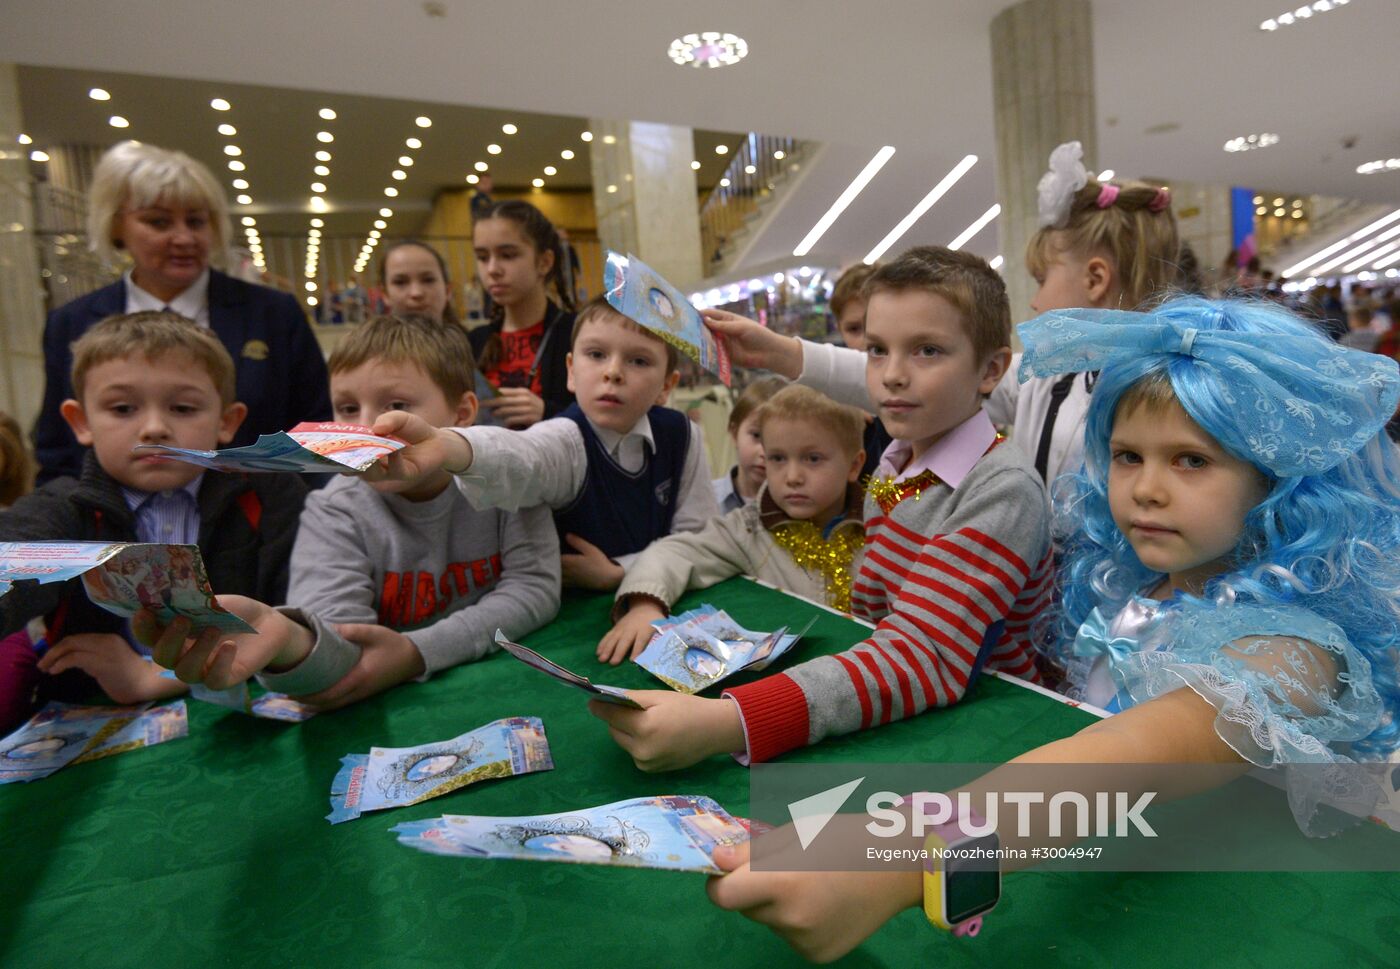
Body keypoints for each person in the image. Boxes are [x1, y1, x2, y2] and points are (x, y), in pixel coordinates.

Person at [699, 294, 1400, 963]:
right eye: (1129, 455)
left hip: (1253, 913)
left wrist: (908, 854)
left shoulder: (1299, 652)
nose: (1147, 488)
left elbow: (1135, 753)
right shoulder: (1137, 591)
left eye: (1192, 459)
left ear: (1280, 479)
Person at [594, 247, 1052, 770]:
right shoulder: (898, 462)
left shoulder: (1002, 490)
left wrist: (727, 723)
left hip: (995, 737)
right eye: (877, 350)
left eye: (927, 351)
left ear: (991, 369)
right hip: (907, 714)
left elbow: (922, 655)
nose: (892, 375)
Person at [133, 315, 560, 707]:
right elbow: (340, 656)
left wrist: (417, 652)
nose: (368, 428)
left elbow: (535, 589)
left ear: (462, 413)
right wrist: (284, 640)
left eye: (397, 406)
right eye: (348, 409)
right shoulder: (333, 510)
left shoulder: (506, 479)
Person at [0, 312, 306, 715]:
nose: (154, 428)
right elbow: (14, 559)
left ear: (227, 421)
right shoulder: (64, 509)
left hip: (249, 711)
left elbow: (303, 624)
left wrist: (154, 678)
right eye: (123, 408)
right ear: (81, 421)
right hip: (95, 724)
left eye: (182, 407)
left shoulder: (271, 497)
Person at [364, 296, 720, 592]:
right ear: (570, 369)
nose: (613, 371)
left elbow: (701, 541)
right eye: (596, 354)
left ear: (667, 386)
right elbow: (521, 456)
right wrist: (447, 446)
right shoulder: (566, 439)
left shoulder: (682, 434)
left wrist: (622, 571)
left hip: (665, 599)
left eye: (639, 360)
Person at [33, 141, 331, 483]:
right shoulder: (72, 322)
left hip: (262, 523)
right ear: (116, 226)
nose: (184, 237)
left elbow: (315, 435)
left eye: (196, 221)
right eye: (159, 222)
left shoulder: (274, 314)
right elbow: (58, 453)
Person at [601, 384, 866, 663]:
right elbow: (672, 553)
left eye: (812, 459)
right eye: (777, 458)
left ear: (853, 466)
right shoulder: (749, 529)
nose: (792, 476)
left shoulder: (885, 529)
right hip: (792, 681)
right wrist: (645, 604)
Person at [986, 141, 1180, 486]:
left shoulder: (1171, 390)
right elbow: (955, 380)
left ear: (1095, 279)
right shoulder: (1045, 371)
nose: (1034, 300)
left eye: (1042, 280)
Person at [469, 200, 576, 428]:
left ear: (544, 262)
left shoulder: (575, 334)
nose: (492, 269)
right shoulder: (475, 341)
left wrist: (547, 411)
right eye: (482, 257)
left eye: (507, 255)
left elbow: (608, 419)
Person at [830, 263, 892, 479]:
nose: (867, 340)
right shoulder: (827, 390)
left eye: (874, 324)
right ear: (839, 328)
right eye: (854, 329)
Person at [712, 375, 786, 513]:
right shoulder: (707, 500)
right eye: (756, 436)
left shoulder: (798, 508)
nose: (764, 453)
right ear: (735, 433)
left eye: (779, 442)